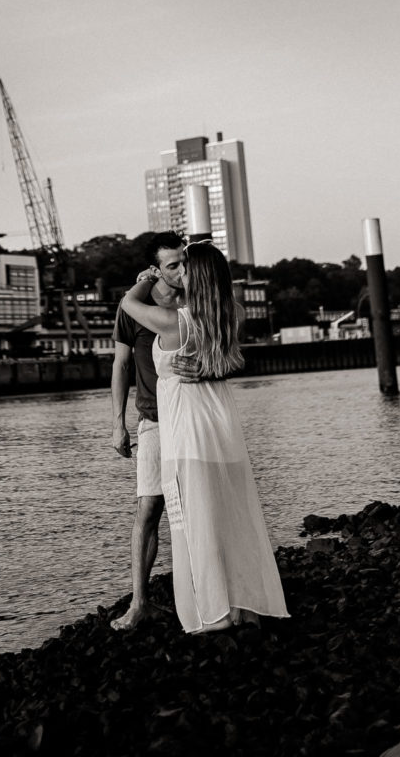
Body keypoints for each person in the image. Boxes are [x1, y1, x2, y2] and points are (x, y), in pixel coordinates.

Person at [121, 240, 289, 633]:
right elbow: (231, 357)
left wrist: (144, 279)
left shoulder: (175, 322)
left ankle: (214, 612)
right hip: (223, 428)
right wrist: (215, 368)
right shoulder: (232, 314)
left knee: (197, 524)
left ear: (197, 275)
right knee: (233, 517)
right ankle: (246, 604)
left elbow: (128, 304)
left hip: (187, 432)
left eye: (185, 267)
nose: (180, 272)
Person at [110, 231, 201, 631]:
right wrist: (118, 423)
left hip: (194, 418)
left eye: (185, 262)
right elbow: (121, 365)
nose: (182, 271)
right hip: (153, 420)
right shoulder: (137, 307)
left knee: (199, 506)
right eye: (173, 265)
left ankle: (201, 593)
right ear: (155, 269)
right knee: (148, 509)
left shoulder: (197, 300)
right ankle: (139, 604)